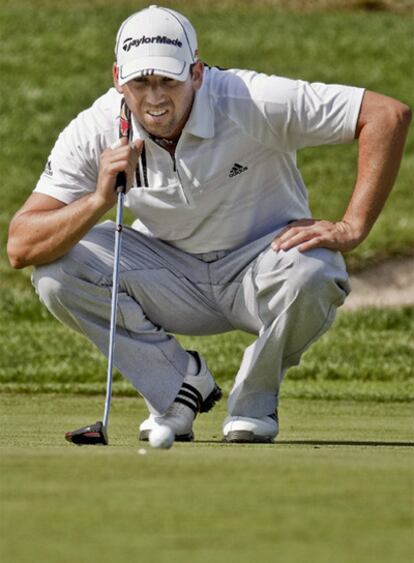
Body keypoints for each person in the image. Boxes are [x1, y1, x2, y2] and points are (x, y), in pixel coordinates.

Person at [7, 6, 411, 443]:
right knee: (56, 272)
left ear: (196, 73)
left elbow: (386, 116)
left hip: (262, 269)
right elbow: (21, 245)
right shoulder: (97, 127)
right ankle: (178, 389)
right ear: (117, 79)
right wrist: (99, 200)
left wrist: (353, 226)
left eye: (168, 80)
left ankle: (254, 401)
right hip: (167, 277)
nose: (155, 97)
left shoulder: (249, 98)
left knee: (317, 269)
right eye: (140, 82)